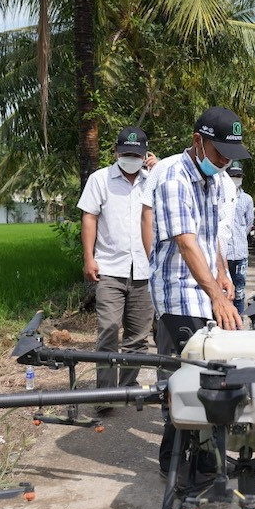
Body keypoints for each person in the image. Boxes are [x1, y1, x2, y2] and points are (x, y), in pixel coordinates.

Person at [147, 106, 249, 475]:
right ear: (197, 141)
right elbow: (187, 244)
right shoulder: (173, 177)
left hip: (203, 285)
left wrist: (222, 273)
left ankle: (205, 456)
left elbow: (209, 238)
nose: (224, 162)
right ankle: (174, 461)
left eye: (230, 155)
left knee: (210, 370)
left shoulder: (212, 178)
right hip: (178, 289)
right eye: (220, 152)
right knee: (195, 373)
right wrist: (218, 297)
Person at [77, 126, 158, 414]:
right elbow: (89, 218)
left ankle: (127, 389)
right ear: (115, 152)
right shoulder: (100, 179)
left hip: (145, 270)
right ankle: (105, 394)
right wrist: (89, 258)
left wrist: (159, 169)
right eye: (125, 153)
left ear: (145, 154)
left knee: (138, 338)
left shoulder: (154, 180)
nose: (130, 159)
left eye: (136, 155)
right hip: (110, 267)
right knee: (109, 331)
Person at [226, 161, 254, 314]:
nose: (235, 178)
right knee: (224, 291)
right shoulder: (220, 196)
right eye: (232, 175)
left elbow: (248, 223)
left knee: (239, 292)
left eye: (238, 175)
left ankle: (238, 323)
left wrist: (239, 237)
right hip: (224, 254)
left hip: (240, 253)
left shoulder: (247, 199)